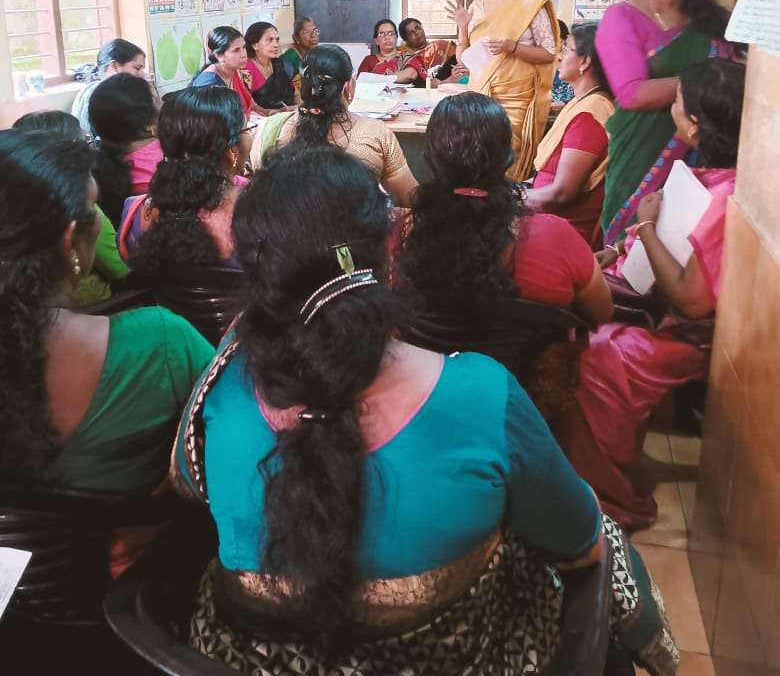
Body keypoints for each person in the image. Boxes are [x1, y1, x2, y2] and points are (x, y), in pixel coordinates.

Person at [172, 145, 678, 675]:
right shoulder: (481, 396)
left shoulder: (220, 386)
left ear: (255, 274)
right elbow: (579, 542)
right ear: (386, 262)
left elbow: (191, 482)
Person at [561, 59, 745, 530]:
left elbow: (691, 301)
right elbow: (681, 235)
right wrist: (619, 249)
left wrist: (643, 227)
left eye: (678, 104)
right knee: (568, 312)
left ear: (696, 123)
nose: (673, 112)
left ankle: (612, 497)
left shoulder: (729, 198)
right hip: (657, 299)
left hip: (691, 332)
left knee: (596, 355)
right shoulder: (710, 172)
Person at [0, 130, 214, 504]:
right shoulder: (161, 341)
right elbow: (233, 445)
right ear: (71, 241)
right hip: (154, 557)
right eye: (94, 207)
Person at [395, 92, 613, 331]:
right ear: (506, 158)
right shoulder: (556, 236)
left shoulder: (403, 235)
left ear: (430, 158)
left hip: (434, 365)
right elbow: (603, 315)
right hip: (528, 367)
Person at [595, 0, 736, 245]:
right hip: (641, 161)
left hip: (704, 164)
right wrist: (709, 81)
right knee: (629, 254)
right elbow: (632, 94)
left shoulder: (711, 22)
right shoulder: (622, 18)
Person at [446, 0, 558, 181]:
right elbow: (465, 60)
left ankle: (508, 215)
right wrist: (462, 28)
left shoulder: (531, 4)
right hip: (479, 97)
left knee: (508, 164)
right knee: (477, 163)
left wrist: (511, 46)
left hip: (515, 99)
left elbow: (549, 53)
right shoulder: (476, 6)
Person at [251, 43, 418, 207]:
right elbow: (410, 198)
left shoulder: (269, 128)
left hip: (289, 232)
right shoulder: (374, 133)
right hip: (357, 233)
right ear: (348, 87)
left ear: (303, 86)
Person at [118, 87, 253, 274]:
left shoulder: (133, 213)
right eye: (247, 128)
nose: (251, 135)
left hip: (161, 304)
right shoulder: (256, 211)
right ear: (231, 152)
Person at [13, 110, 131, 306]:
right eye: (85, 143)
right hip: (93, 306)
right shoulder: (81, 209)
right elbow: (120, 269)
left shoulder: (18, 205)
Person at [525, 22, 614, 244]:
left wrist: (511, 199)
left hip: (560, 233)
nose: (559, 56)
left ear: (585, 60)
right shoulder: (581, 101)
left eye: (566, 49)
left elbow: (561, 192)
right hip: (543, 217)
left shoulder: (591, 114)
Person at [89, 73, 162, 228]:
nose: (162, 103)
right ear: (146, 122)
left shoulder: (99, 165)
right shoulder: (164, 159)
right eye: (156, 100)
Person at [71, 38, 146, 136]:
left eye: (142, 69)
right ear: (114, 65)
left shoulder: (98, 88)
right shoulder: (104, 94)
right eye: (137, 68)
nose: (142, 74)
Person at [191, 26, 258, 117]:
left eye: (244, 47)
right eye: (236, 50)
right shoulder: (209, 84)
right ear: (219, 55)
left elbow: (251, 105)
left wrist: (270, 112)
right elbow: (216, 123)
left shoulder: (233, 71)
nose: (244, 55)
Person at [243, 21, 296, 110]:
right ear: (255, 45)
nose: (276, 45)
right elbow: (249, 107)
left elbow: (295, 93)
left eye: (277, 40)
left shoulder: (278, 64)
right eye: (270, 40)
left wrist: (301, 108)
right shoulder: (246, 69)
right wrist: (278, 112)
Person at [357, 19, 425, 82]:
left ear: (396, 37)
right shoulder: (369, 60)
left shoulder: (407, 57)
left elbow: (411, 74)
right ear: (376, 40)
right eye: (382, 34)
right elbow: (361, 82)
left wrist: (381, 79)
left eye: (391, 33)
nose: (387, 37)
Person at [397, 17, 460, 85]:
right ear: (406, 39)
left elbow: (463, 55)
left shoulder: (441, 46)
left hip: (446, 86)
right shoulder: (401, 52)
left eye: (417, 28)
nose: (416, 33)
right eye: (410, 33)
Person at [280, 16, 320, 93]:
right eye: (306, 32)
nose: (313, 35)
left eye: (315, 31)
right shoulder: (288, 59)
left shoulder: (317, 54)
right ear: (296, 38)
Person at [550, 20, 575, 110]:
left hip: (567, 110)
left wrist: (565, 103)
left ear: (562, 40)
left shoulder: (571, 60)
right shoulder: (538, 60)